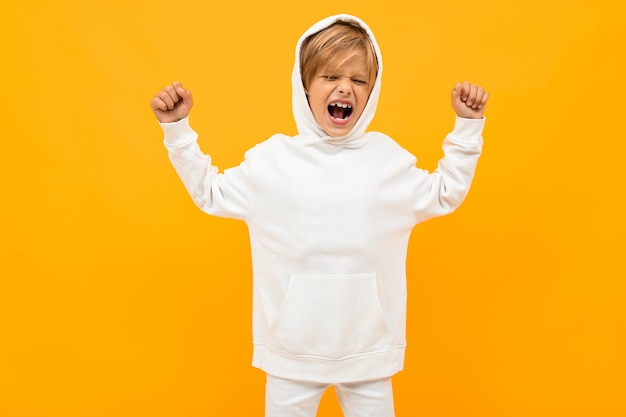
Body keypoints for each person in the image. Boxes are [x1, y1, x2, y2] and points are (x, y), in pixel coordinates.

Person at [150, 14, 488, 417]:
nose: (345, 86)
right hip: (292, 353)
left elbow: (444, 192)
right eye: (329, 76)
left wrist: (467, 127)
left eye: (359, 80)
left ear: (371, 91)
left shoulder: (389, 163)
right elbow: (211, 193)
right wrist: (178, 132)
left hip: (368, 351)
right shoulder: (270, 163)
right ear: (304, 86)